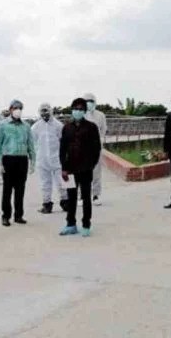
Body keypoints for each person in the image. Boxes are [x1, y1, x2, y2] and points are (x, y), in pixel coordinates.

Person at [59, 98, 102, 237]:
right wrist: (63, 168)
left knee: (86, 198)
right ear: (72, 110)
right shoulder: (66, 128)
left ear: (84, 111)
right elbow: (62, 149)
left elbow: (96, 149)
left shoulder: (91, 127)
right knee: (71, 198)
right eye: (75, 109)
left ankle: (86, 225)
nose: (77, 111)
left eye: (80, 109)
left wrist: (91, 165)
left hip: (85, 169)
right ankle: (71, 224)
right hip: (70, 169)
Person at [0, 100, 36, 226]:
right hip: (8, 159)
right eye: (15, 108)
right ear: (10, 109)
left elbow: (30, 144)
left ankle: (19, 215)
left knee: (20, 189)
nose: (18, 110)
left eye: (20, 108)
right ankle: (5, 216)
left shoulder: (26, 126)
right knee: (7, 189)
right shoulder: (3, 125)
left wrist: (33, 161)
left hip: (22, 159)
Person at [32, 103, 67, 214]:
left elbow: (64, 142)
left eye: (46, 111)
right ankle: (47, 204)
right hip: (42, 160)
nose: (45, 114)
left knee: (62, 182)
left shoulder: (59, 125)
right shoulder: (35, 127)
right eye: (42, 111)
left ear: (51, 111)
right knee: (45, 184)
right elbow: (33, 143)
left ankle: (66, 202)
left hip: (57, 159)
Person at [83, 93, 107, 206]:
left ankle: (95, 195)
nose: (89, 103)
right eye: (86, 101)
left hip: (96, 148)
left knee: (96, 173)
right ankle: (82, 196)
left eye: (91, 101)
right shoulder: (81, 115)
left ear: (95, 102)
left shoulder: (100, 115)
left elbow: (103, 130)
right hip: (82, 148)